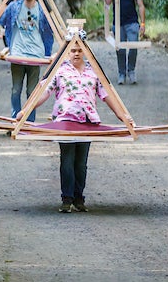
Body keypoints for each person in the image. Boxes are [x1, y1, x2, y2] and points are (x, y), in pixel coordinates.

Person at [32, 34, 135, 212]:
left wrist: (123, 116)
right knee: (67, 160)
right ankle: (67, 199)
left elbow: (107, 96)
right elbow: (44, 92)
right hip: (65, 121)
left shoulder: (93, 71)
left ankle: (79, 199)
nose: (76, 53)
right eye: (73, 50)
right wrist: (26, 111)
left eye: (80, 50)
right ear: (67, 52)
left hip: (88, 122)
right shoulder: (59, 71)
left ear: (85, 51)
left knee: (81, 163)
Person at [0, 0, 53, 121]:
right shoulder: (14, 7)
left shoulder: (42, 10)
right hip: (18, 53)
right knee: (16, 89)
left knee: (32, 91)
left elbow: (51, 28)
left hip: (36, 54)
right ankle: (15, 120)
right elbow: (1, 20)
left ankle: (29, 122)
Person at [104, 0, 146, 84]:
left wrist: (142, 24)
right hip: (118, 23)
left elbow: (141, 5)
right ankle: (121, 74)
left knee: (133, 47)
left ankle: (131, 71)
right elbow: (107, 1)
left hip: (132, 22)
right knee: (120, 49)